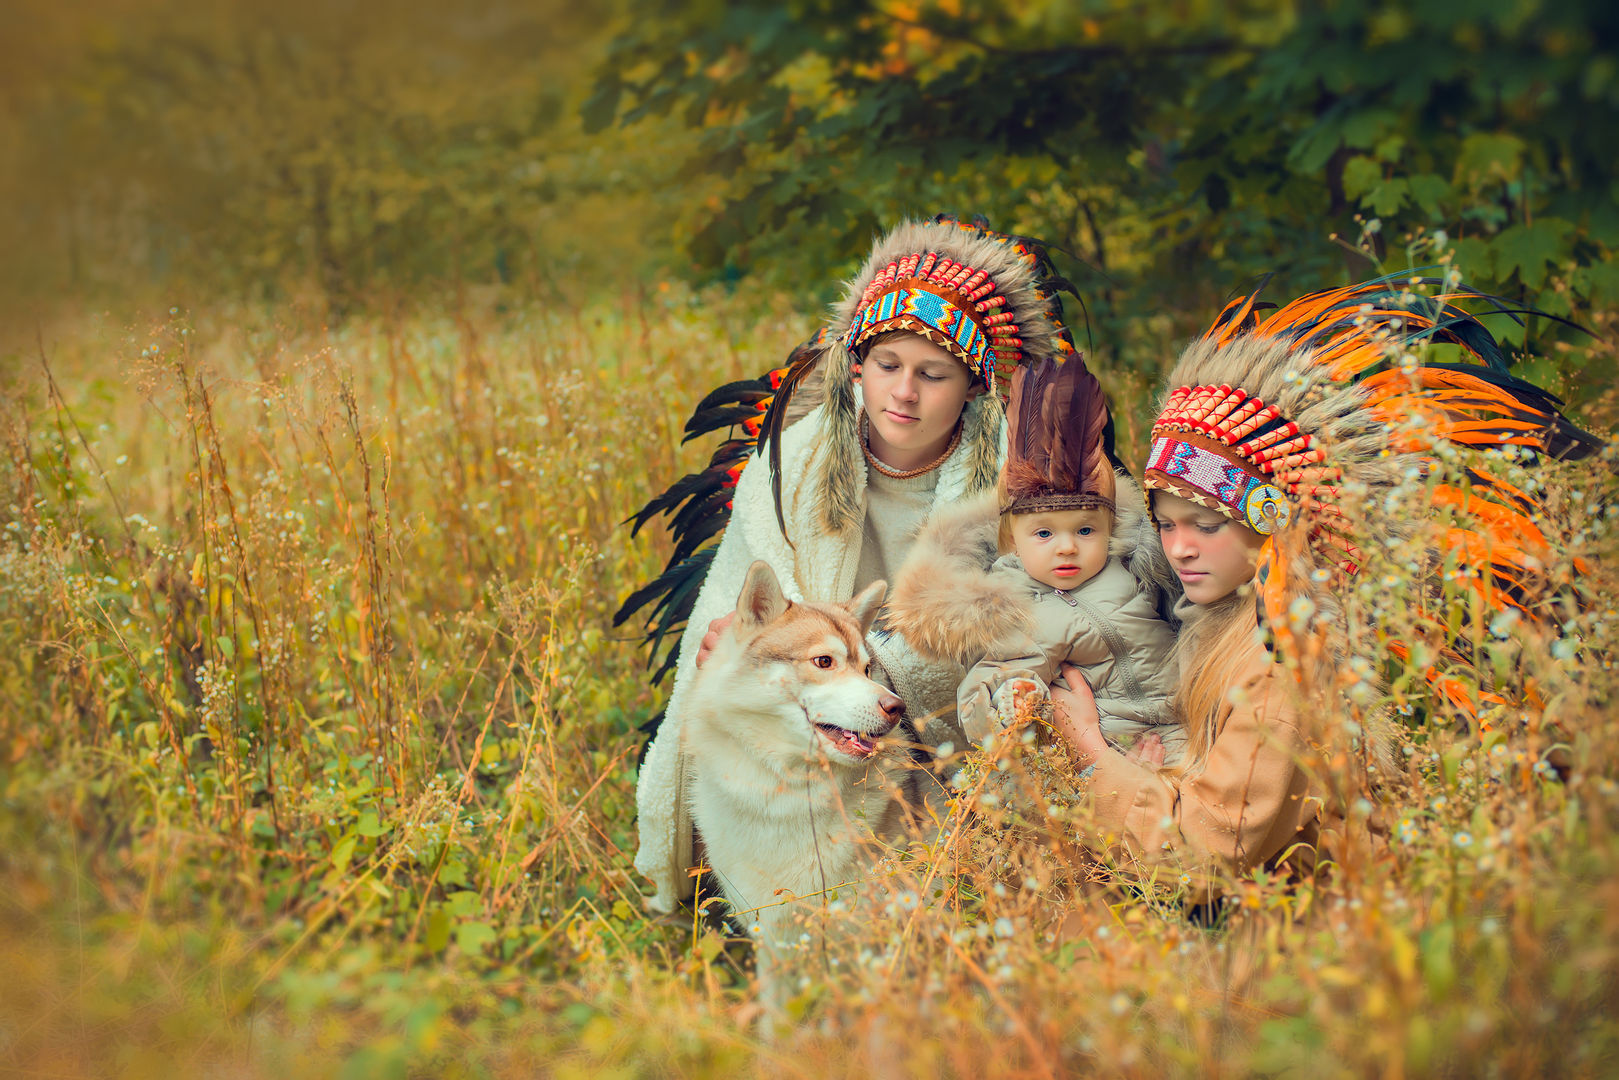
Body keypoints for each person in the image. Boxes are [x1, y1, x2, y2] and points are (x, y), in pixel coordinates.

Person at [1046, 275, 1603, 889]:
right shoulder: (1225, 620)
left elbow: (1206, 852)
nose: (1180, 548)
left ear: (1274, 520)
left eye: (1207, 525)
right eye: (1167, 523)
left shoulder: (1281, 658)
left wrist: (1091, 753)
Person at [633, 216, 1090, 913]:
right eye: (887, 366)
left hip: (936, 712)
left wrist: (877, 672)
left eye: (931, 374)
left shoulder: (1017, 483)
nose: (903, 393)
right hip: (814, 696)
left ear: (972, 386)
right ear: (857, 366)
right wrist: (735, 639)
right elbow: (740, 589)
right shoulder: (793, 460)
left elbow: (1025, 620)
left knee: (965, 880)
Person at [884, 355, 1184, 767]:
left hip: (1183, 724)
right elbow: (991, 680)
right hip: (1111, 747)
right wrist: (1013, 700)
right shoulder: (1013, 606)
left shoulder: (1134, 570)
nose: (1067, 547)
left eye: (1085, 531)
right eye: (1044, 534)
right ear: (1012, 540)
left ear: (1110, 529)